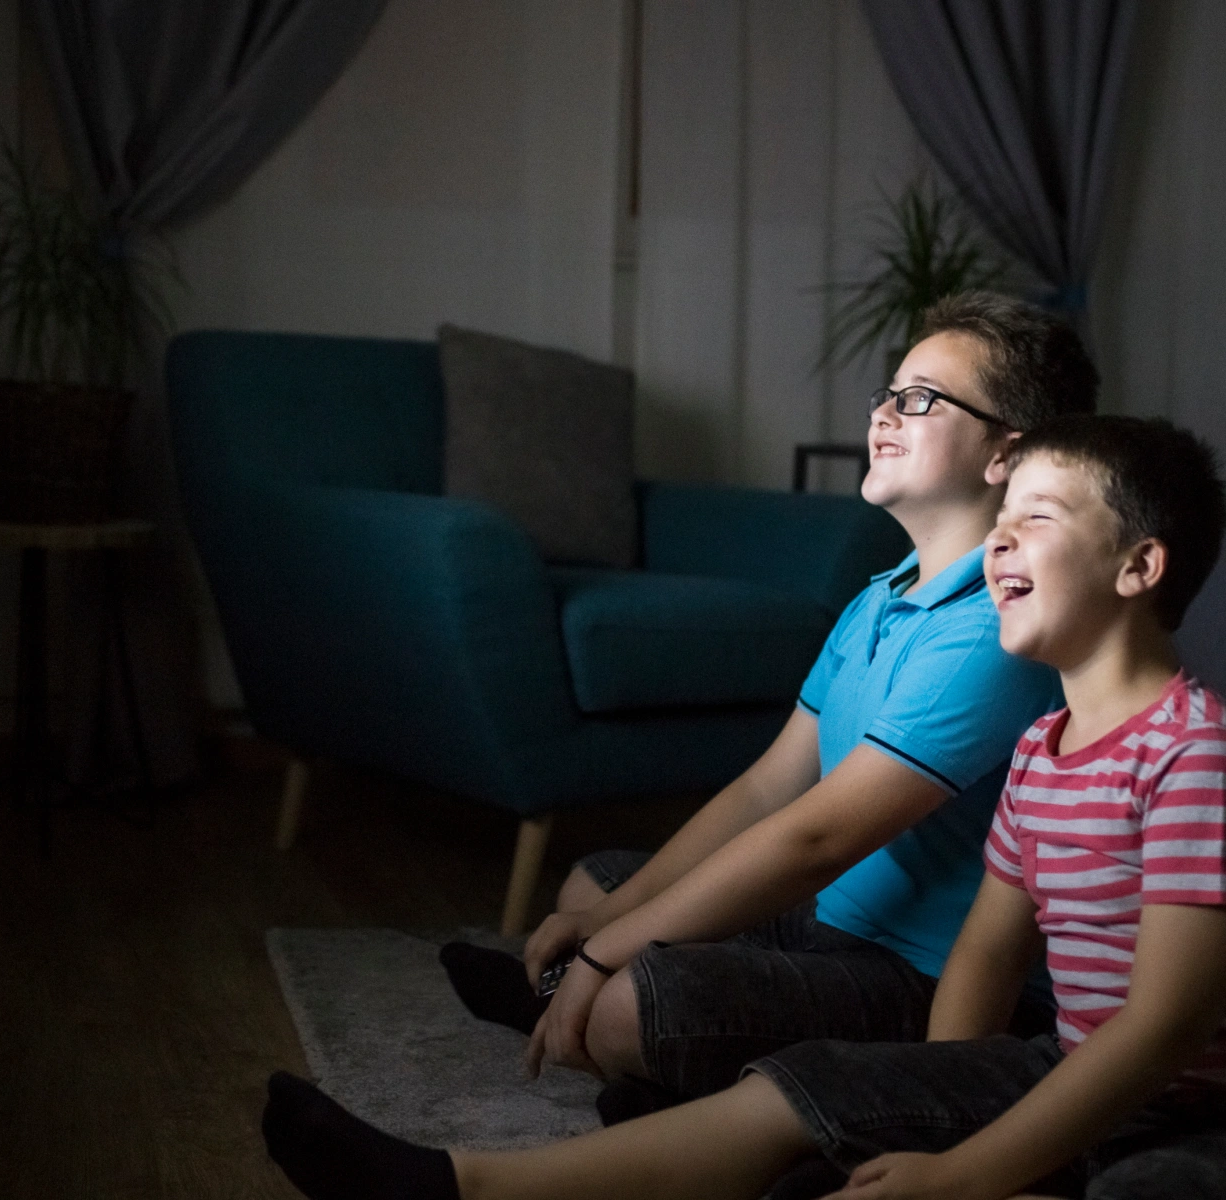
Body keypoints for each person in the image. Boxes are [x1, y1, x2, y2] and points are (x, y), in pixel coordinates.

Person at [261, 412, 1226, 1200]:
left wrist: (964, 1170)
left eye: (1038, 520)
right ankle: (460, 1185)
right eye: (1001, 518)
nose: (1000, 540)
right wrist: (927, 1094)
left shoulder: (1191, 753)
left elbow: (1163, 1032)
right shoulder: (1040, 751)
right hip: (1059, 1071)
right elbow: (987, 947)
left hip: (1173, 1108)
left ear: (1139, 568)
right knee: (796, 1091)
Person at [442, 292, 1099, 1112]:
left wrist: (612, 955)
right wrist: (615, 920)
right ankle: (622, 1040)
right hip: (828, 922)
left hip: (916, 974)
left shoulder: (991, 632)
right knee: (593, 886)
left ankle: (646, 1055)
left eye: (921, 398)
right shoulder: (880, 597)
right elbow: (767, 788)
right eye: (887, 393)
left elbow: (819, 835)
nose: (886, 414)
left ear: (1008, 452)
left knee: (625, 998)